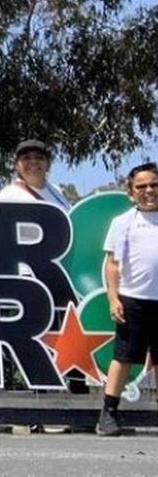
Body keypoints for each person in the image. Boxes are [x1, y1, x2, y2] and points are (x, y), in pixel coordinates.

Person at [96, 162, 158, 437]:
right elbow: (113, 264)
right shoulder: (123, 223)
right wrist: (113, 298)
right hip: (134, 300)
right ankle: (108, 415)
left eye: (154, 185)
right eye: (141, 186)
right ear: (131, 192)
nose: (149, 190)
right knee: (123, 358)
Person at [0, 139, 70, 209]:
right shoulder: (6, 197)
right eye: (26, 157)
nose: (33, 161)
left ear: (48, 165)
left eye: (39, 157)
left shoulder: (56, 192)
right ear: (16, 165)